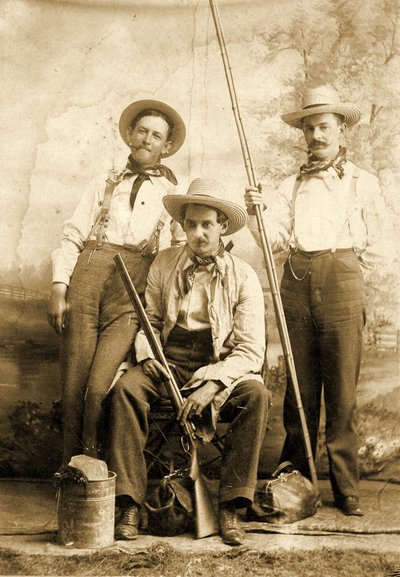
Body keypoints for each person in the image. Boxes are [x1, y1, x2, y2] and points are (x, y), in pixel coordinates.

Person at [105, 178, 269, 545]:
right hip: (168, 361)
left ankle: (229, 507)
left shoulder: (244, 276)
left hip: (218, 365)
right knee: (125, 392)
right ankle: (129, 502)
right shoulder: (163, 263)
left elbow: (250, 350)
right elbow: (150, 322)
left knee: (256, 396)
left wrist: (212, 385)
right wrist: (148, 356)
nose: (197, 233)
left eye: (207, 224)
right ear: (182, 225)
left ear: (222, 226)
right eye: (191, 224)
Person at [245, 85, 384, 517]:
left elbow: (382, 244)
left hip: (342, 277)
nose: (316, 135)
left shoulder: (364, 183)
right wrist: (256, 212)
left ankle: (346, 488)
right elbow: (274, 242)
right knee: (299, 393)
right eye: (309, 128)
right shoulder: (289, 186)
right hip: (297, 280)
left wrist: (350, 276)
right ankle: (297, 484)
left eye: (324, 126)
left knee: (341, 390)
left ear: (342, 130)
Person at [47, 100, 186, 462]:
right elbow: (72, 235)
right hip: (88, 278)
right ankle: (70, 475)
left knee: (98, 388)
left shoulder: (174, 194)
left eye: (157, 136)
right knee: (74, 385)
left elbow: (176, 253)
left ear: (166, 147)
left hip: (132, 291)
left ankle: (95, 470)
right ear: (129, 135)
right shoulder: (104, 181)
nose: (147, 140)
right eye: (141, 131)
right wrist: (59, 288)